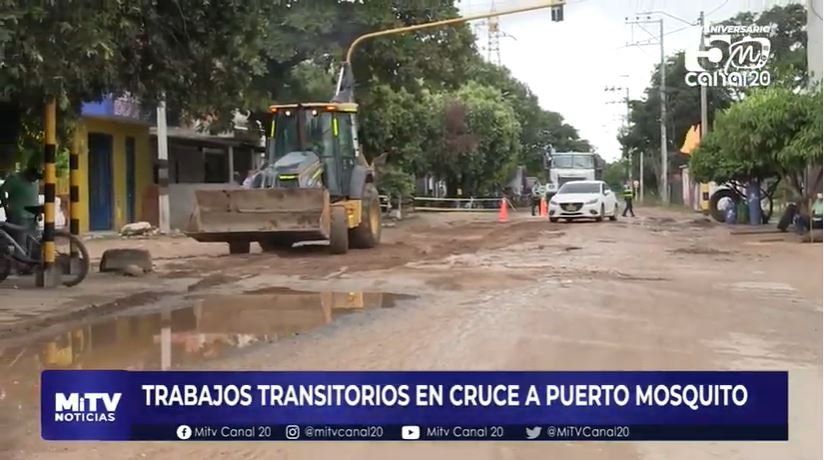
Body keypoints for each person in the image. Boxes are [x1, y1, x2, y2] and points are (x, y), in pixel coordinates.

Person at [0, 165, 42, 250]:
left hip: (33, 217)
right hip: (19, 216)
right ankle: (20, 262)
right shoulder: (15, 179)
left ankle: (31, 261)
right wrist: (6, 208)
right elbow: (2, 191)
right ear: (28, 173)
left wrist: (39, 212)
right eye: (34, 176)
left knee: (34, 243)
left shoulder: (35, 182)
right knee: (21, 244)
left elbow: (34, 197)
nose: (35, 179)